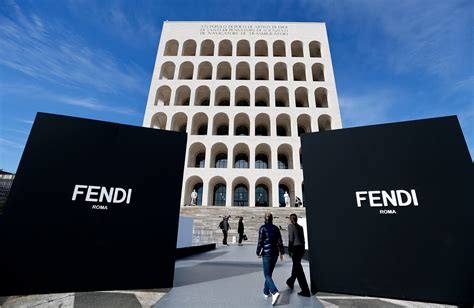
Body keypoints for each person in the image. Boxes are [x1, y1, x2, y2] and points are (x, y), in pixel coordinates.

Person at [256, 212, 285, 306]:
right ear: (272, 219)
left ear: (265, 219)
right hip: (275, 254)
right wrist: (282, 252)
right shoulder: (276, 228)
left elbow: (260, 241)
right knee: (269, 274)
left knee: (267, 275)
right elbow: (280, 241)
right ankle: (266, 292)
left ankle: (274, 292)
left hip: (267, 254)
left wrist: (258, 252)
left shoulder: (262, 228)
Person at [286, 213, 310, 297]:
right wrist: (303, 249)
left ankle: (305, 290)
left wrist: (289, 250)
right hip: (300, 249)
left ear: (290, 219)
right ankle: (290, 282)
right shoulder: (300, 227)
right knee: (296, 267)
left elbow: (291, 239)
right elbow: (303, 239)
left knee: (299, 270)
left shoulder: (290, 226)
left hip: (295, 249)